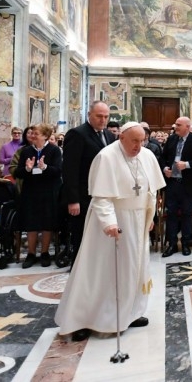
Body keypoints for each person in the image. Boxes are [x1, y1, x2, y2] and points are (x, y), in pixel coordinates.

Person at [55, 122, 165, 342]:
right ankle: (84, 319)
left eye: (142, 140)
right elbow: (101, 197)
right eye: (134, 140)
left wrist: (149, 217)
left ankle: (131, 313)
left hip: (137, 222)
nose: (139, 145)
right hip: (113, 223)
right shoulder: (106, 157)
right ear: (121, 137)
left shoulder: (147, 156)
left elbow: (151, 191)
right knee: (101, 272)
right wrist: (109, 223)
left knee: (134, 269)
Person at [62, 101, 115, 265]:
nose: (103, 120)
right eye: (99, 116)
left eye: (106, 117)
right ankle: (78, 272)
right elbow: (70, 169)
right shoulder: (77, 134)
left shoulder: (109, 135)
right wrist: (73, 200)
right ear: (89, 115)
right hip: (84, 196)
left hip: (104, 194)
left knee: (100, 237)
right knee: (82, 236)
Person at [13, 123, 63, 268]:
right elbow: (17, 172)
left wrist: (45, 167)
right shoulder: (26, 151)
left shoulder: (54, 150)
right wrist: (27, 169)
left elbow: (58, 171)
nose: (32, 135)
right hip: (30, 191)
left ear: (46, 136)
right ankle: (31, 253)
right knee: (31, 223)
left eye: (36, 133)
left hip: (49, 191)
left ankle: (45, 253)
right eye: (32, 133)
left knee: (47, 223)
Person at [160, 117, 192, 257]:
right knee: (171, 214)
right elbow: (162, 157)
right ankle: (172, 244)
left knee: (187, 214)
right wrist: (164, 169)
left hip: (187, 184)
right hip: (172, 183)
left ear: (187, 127)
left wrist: (186, 164)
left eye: (179, 125)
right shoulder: (171, 139)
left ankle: (186, 243)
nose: (176, 127)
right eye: (176, 124)